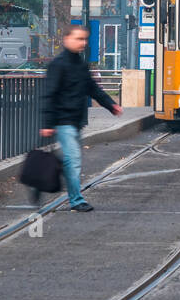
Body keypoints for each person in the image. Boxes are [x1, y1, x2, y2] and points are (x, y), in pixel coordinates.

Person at [39, 25, 122, 211]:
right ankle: (76, 200)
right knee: (74, 159)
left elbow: (92, 88)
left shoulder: (80, 64)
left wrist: (111, 105)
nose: (83, 43)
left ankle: (59, 166)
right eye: (79, 39)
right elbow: (49, 94)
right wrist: (47, 123)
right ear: (67, 39)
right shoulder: (58, 64)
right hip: (63, 121)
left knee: (70, 159)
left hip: (76, 121)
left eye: (84, 39)